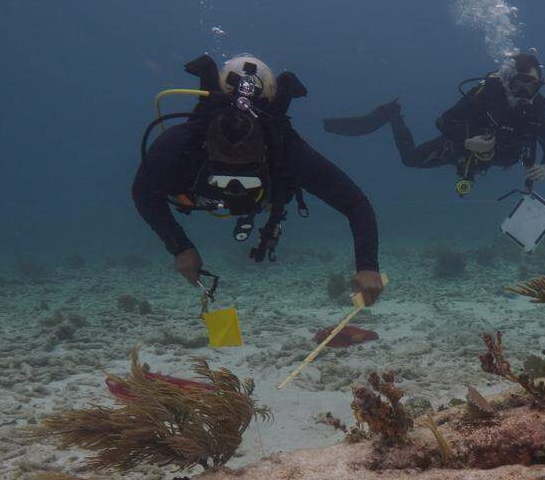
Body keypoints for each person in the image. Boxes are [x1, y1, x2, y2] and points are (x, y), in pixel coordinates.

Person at [132, 53, 384, 304]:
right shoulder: (182, 142)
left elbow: (354, 203)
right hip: (214, 191)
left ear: (264, 152)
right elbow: (143, 193)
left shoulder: (285, 149)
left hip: (264, 198)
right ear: (206, 145)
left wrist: (367, 266)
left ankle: (263, 209)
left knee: (270, 200)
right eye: (224, 168)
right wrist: (180, 247)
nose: (233, 182)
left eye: (245, 171)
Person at [323, 51, 545, 196]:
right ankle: (392, 114)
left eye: (533, 86)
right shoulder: (487, 93)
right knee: (410, 159)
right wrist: (467, 143)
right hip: (461, 147)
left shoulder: (536, 109)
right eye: (521, 83)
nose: (527, 92)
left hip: (489, 159)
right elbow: (443, 121)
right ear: (508, 80)